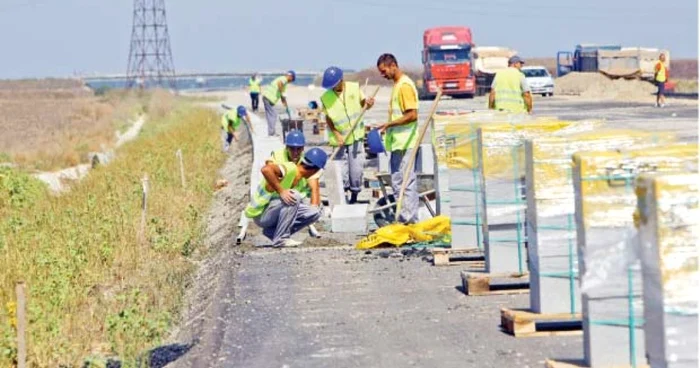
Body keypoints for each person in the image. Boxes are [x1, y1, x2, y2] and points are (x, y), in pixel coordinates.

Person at [244, 147, 327, 248]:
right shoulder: (291, 169)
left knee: (315, 212)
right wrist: (281, 191)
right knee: (294, 196)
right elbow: (265, 169)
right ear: (314, 170)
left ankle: (273, 232)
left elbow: (314, 194)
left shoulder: (300, 180)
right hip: (261, 214)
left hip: (274, 210)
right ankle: (281, 239)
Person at [375, 53, 420, 224]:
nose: (383, 74)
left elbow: (412, 115)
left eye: (384, 70)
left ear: (393, 65)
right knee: (397, 183)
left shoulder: (404, 86)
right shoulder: (398, 85)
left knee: (406, 183)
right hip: (398, 143)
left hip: (406, 142)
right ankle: (404, 218)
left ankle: (410, 221)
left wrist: (389, 125)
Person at [320, 66, 375, 204]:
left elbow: (364, 104)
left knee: (356, 169)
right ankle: (342, 196)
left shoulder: (353, 88)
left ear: (341, 80)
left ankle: (354, 196)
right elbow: (328, 119)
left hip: (356, 136)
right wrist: (337, 134)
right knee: (341, 170)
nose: (333, 88)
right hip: (340, 140)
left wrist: (368, 104)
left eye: (335, 84)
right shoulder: (326, 97)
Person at [262, 70, 296, 137]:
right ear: (290, 76)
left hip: (267, 98)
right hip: (269, 98)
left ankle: (271, 132)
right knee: (273, 115)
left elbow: (282, 95)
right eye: (292, 79)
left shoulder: (284, 83)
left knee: (270, 116)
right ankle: (272, 133)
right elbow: (279, 84)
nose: (291, 81)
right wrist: (282, 93)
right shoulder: (283, 79)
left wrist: (284, 103)